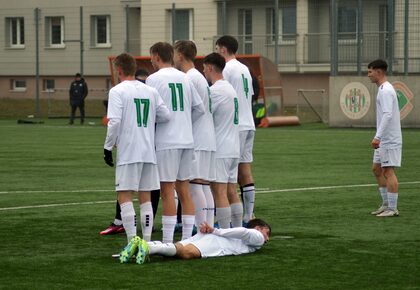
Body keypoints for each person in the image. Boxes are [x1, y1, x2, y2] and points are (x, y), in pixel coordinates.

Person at [103, 53, 171, 243]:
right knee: (146, 196)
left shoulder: (117, 91)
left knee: (124, 194)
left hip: (129, 150)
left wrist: (107, 147)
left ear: (119, 70)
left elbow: (114, 122)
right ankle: (147, 242)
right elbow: (165, 115)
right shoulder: (150, 90)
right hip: (149, 150)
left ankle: (133, 242)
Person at [146, 42, 205, 243]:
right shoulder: (185, 78)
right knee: (184, 189)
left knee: (167, 190)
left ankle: (168, 241)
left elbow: (150, 112)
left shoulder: (153, 79)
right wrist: (185, 123)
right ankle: (187, 239)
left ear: (156, 56)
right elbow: (200, 108)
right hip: (187, 140)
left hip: (167, 141)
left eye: (151, 57)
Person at [173, 40, 217, 228]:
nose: (173, 58)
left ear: (180, 55)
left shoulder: (190, 78)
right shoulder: (198, 77)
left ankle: (202, 228)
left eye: (174, 53)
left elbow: (195, 109)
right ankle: (208, 226)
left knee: (195, 185)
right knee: (203, 185)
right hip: (207, 136)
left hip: (198, 137)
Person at [215, 35, 256, 225]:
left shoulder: (227, 68)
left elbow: (226, 95)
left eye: (217, 49)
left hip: (236, 125)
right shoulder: (244, 68)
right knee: (245, 170)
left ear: (223, 49)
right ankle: (248, 215)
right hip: (249, 124)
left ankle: (231, 220)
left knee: (229, 176)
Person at [118, 218, 271, 264]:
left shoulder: (251, 238)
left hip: (211, 238)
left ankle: (144, 246)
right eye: (267, 232)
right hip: (216, 242)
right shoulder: (257, 236)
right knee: (186, 253)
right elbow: (244, 231)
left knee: (177, 249)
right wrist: (215, 230)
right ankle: (149, 248)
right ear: (258, 228)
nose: (267, 238)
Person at [203, 52, 241, 228]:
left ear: (210, 68)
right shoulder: (230, 88)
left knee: (219, 192)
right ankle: (238, 229)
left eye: (204, 68)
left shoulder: (215, 90)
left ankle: (225, 233)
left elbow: (203, 113)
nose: (203, 72)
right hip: (234, 147)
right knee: (232, 191)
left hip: (221, 148)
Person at [367, 59, 402, 217]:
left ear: (378, 72)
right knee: (376, 169)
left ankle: (393, 209)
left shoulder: (386, 90)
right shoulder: (382, 89)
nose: (369, 75)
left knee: (388, 172)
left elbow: (388, 115)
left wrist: (378, 136)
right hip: (383, 140)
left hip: (389, 139)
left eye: (370, 72)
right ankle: (386, 204)